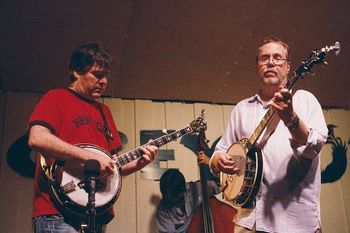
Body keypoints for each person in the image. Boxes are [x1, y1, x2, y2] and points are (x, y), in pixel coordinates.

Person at [27, 43, 158, 233]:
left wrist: (138, 164)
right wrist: (87, 156)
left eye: (107, 76)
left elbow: (110, 166)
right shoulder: (56, 97)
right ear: (76, 72)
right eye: (97, 75)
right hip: (57, 212)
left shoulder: (105, 112)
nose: (104, 81)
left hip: (96, 215)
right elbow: (37, 138)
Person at [209, 37, 328, 233]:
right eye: (264, 58)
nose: (270, 62)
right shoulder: (242, 109)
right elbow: (219, 151)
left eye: (277, 58)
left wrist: (291, 119)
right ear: (257, 66)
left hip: (295, 223)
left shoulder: (305, 100)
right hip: (249, 221)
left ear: (289, 66)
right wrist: (218, 160)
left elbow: (313, 148)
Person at [156, 152, 221, 233]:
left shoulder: (197, 189)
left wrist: (211, 163)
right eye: (166, 195)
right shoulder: (163, 210)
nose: (168, 199)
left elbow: (221, 184)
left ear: (183, 190)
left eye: (173, 196)